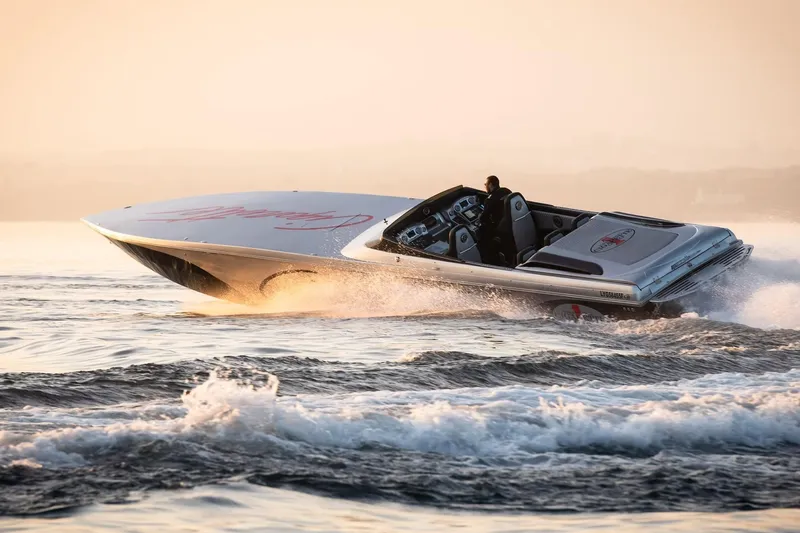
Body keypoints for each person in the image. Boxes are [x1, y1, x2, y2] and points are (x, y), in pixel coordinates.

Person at [477, 175, 511, 265]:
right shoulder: (506, 191)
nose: (485, 187)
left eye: (486, 184)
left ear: (491, 185)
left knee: (482, 234)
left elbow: (483, 218)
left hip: (501, 230)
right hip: (511, 224)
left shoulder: (490, 200)